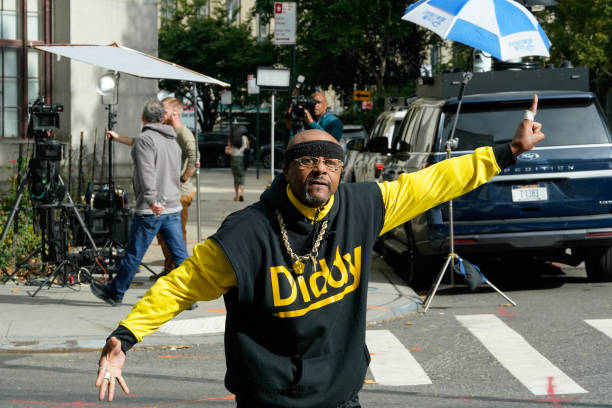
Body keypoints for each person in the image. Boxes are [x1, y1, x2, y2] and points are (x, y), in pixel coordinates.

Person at [95, 96, 544, 406]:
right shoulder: (247, 234)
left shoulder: (362, 207)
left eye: (330, 163)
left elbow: (433, 183)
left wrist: (507, 152)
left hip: (340, 395)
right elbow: (180, 286)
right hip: (269, 400)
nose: (321, 171)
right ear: (288, 169)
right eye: (308, 161)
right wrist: (126, 336)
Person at [90, 99, 188, 306]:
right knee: (179, 255)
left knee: (134, 253)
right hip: (172, 205)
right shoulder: (172, 140)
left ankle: (115, 292)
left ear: (142, 118)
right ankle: (189, 296)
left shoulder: (145, 139)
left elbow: (146, 172)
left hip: (152, 209)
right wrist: (119, 138)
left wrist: (152, 200)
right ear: (163, 118)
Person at [156, 97, 197, 276]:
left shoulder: (183, 133)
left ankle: (177, 272)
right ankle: (169, 268)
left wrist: (182, 178)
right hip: (170, 193)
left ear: (175, 113)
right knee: (163, 234)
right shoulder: (168, 132)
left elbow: (194, 158)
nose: (161, 115)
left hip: (181, 194)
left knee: (176, 234)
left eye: (164, 112)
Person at [226, 125, 250, 201]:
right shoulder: (245, 138)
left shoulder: (230, 139)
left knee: (236, 177)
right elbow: (248, 148)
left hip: (233, 159)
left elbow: (229, 152)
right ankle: (242, 193)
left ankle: (236, 196)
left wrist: (227, 150)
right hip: (242, 159)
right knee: (242, 176)